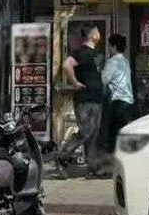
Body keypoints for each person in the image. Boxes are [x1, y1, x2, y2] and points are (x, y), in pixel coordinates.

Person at [57, 25, 106, 177]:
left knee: (94, 134)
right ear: (92, 35)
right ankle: (62, 156)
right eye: (97, 31)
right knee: (86, 131)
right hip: (84, 99)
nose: (99, 34)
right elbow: (67, 65)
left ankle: (93, 168)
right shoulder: (82, 52)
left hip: (96, 98)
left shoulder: (96, 53)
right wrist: (75, 82)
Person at [102, 33, 135, 154]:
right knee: (124, 133)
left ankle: (113, 159)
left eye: (110, 46)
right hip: (128, 102)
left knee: (113, 135)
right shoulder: (125, 61)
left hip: (118, 102)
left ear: (114, 47)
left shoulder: (112, 62)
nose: (108, 49)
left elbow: (103, 80)